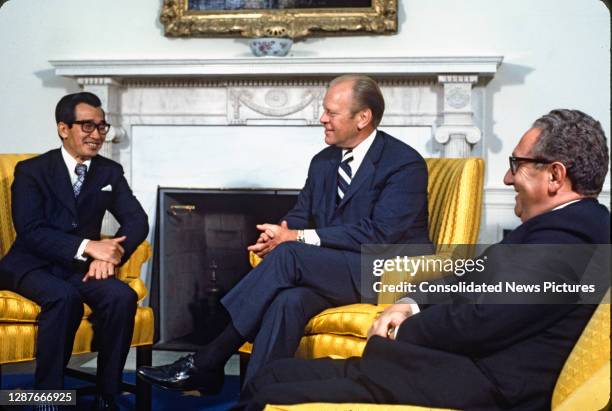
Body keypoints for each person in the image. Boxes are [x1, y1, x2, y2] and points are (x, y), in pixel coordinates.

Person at [237, 109, 610, 410]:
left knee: (271, 385)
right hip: (457, 369)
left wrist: (400, 331)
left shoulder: (569, 237)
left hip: (478, 384)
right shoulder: (565, 226)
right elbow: (469, 273)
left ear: (555, 175)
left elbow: (485, 320)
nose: (508, 177)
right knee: (274, 375)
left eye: (517, 163)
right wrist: (410, 303)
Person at [137, 74, 433, 390]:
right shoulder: (323, 162)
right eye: (324, 110)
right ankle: (256, 399)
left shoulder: (403, 163)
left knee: (290, 254)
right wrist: (279, 232)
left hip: (384, 271)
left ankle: (208, 360)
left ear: (363, 118)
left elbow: (381, 234)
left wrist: (296, 239)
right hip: (332, 270)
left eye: (331, 112)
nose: (323, 119)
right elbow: (301, 215)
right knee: (288, 301)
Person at [0, 92, 149, 411]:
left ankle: (108, 394)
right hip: (31, 264)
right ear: (63, 128)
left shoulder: (109, 171)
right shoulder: (32, 171)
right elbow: (32, 230)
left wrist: (112, 254)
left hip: (81, 267)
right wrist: (89, 247)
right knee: (62, 298)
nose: (96, 135)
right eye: (87, 126)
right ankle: (48, 397)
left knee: (120, 296)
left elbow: (137, 220)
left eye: (102, 126)